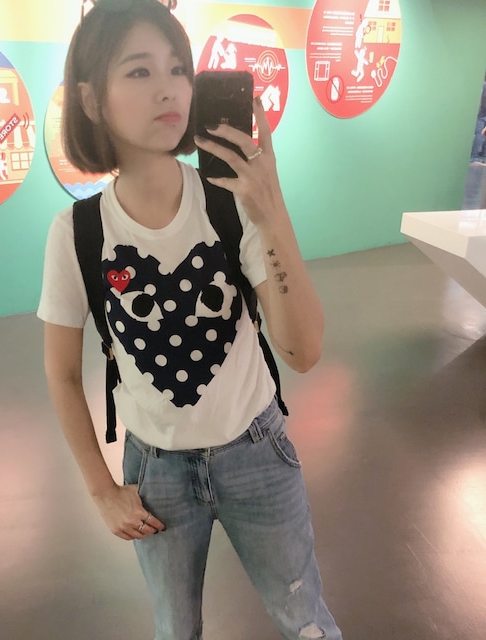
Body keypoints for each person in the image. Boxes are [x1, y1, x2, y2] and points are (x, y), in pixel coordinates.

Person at [38, 1, 343, 638]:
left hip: (257, 452)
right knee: (176, 629)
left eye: (178, 68)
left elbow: (304, 350)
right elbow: (62, 374)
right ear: (92, 99)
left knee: (305, 621)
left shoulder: (230, 206)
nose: (169, 89)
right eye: (139, 71)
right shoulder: (78, 233)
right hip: (157, 474)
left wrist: (271, 208)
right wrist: (101, 490)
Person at [470, 73, 486, 163]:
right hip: (482, 114)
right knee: (480, 135)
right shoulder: (484, 86)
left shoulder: (482, 86)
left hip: (481, 114)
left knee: (479, 135)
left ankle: (475, 156)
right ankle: (479, 155)